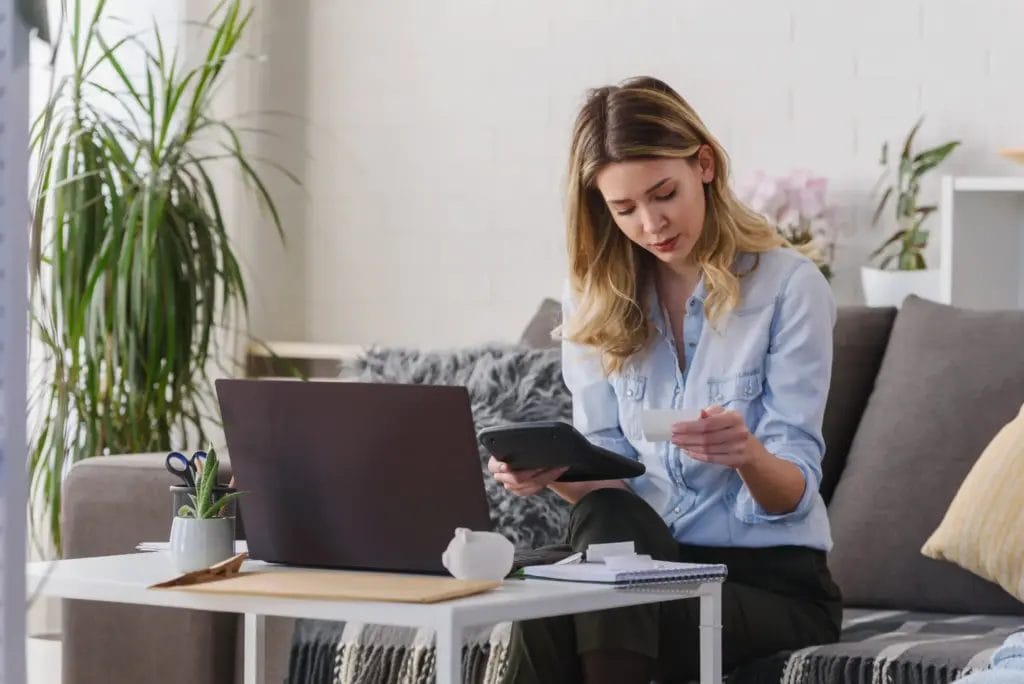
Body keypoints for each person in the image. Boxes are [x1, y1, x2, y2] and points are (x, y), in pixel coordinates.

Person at [488, 76, 843, 684]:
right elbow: (613, 480)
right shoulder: (596, 299)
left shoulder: (789, 287)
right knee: (585, 543)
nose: (651, 223)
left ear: (703, 164)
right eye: (624, 209)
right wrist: (551, 476)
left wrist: (749, 457)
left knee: (562, 606)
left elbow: (794, 492)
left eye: (664, 194)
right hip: (649, 564)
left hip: (768, 586)